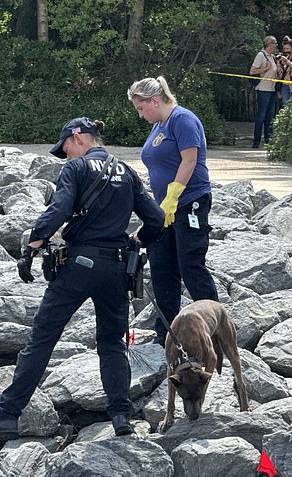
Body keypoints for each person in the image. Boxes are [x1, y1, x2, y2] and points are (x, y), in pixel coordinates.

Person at [0, 117, 164, 444]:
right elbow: (157, 220)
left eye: (66, 149)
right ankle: (121, 416)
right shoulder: (127, 172)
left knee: (42, 340)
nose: (66, 156)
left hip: (79, 266)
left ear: (78, 138)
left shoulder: (76, 170)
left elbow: (59, 209)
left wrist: (32, 246)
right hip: (118, 268)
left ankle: (6, 417)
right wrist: (137, 239)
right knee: (111, 343)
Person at [127, 76, 219, 348]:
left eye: (141, 108)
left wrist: (174, 194)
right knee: (162, 266)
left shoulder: (183, 120)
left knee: (190, 263)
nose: (140, 114)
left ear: (154, 100)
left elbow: (190, 160)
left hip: (189, 201)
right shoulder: (159, 125)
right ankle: (166, 332)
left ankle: (216, 326)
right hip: (163, 206)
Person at [249, 35, 279, 148]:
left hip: (272, 89)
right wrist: (264, 69)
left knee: (270, 115)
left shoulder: (272, 56)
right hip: (263, 89)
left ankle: (268, 139)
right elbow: (252, 71)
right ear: (269, 44)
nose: (276, 45)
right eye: (274, 43)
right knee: (261, 115)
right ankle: (256, 141)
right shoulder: (261, 55)